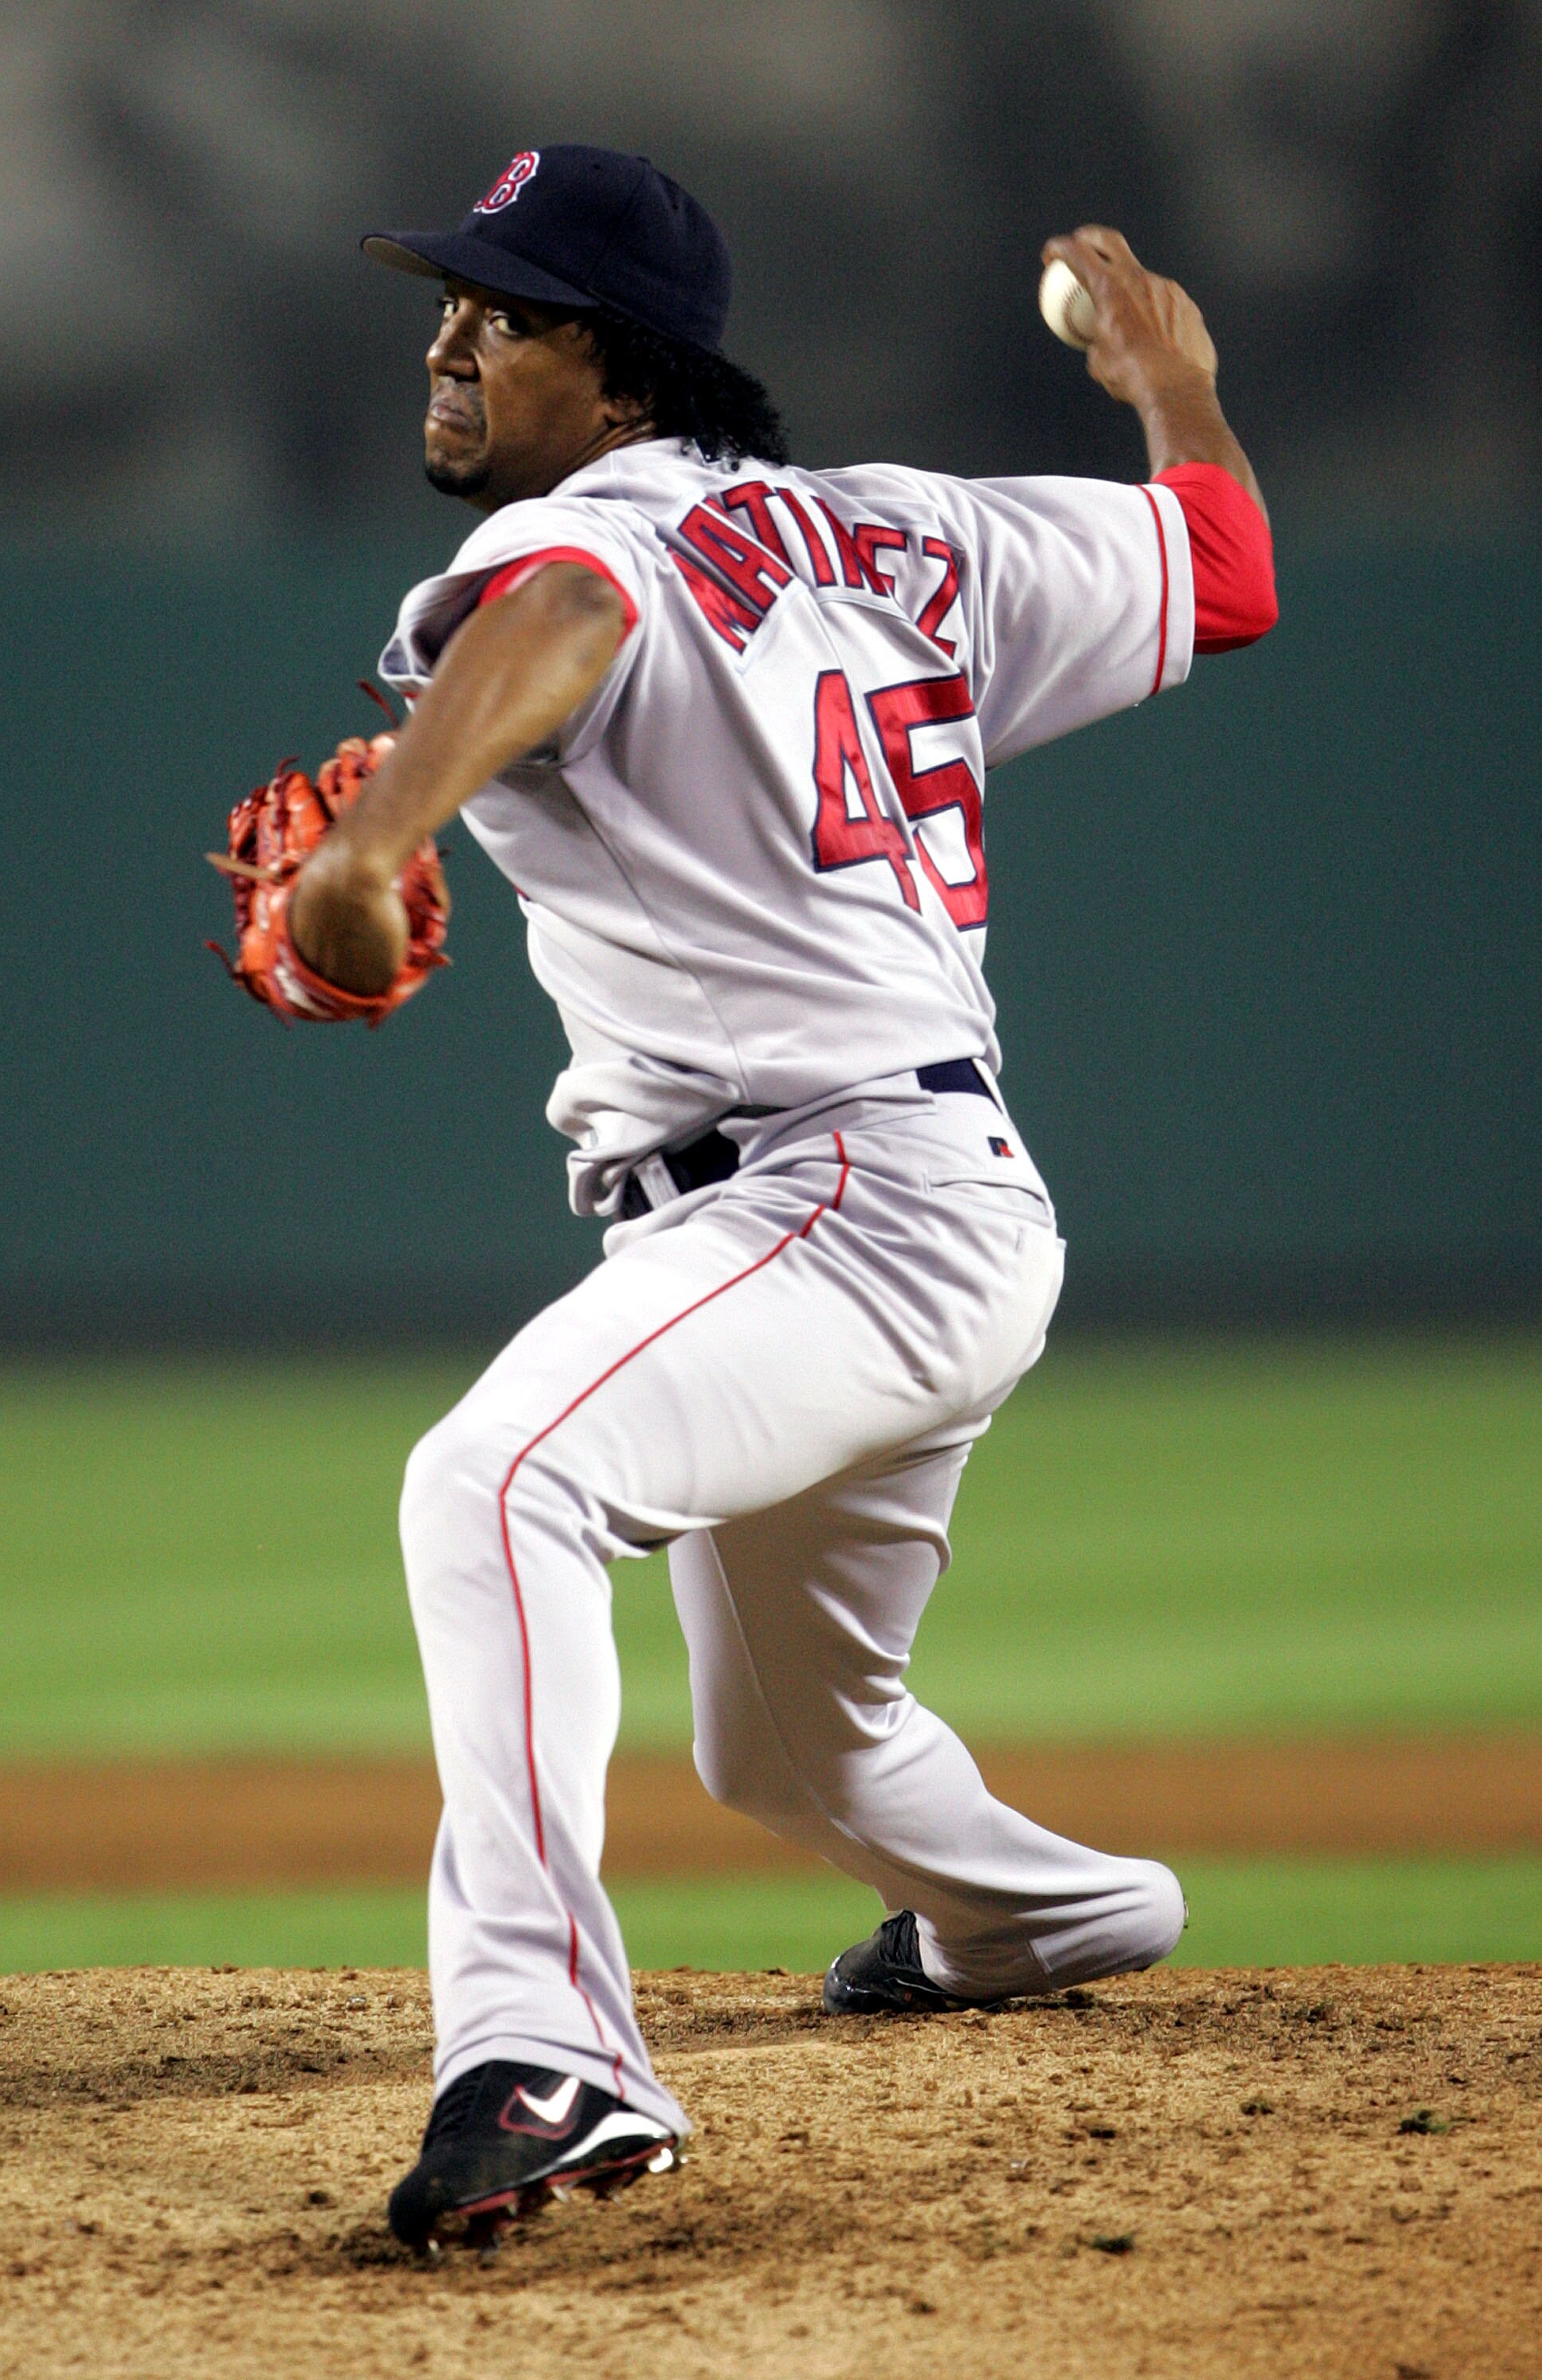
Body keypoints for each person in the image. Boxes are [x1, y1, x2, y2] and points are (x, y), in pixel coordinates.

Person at [288, 144, 1277, 2250]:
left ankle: (540, 2047)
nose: (453, 336)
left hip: (842, 1196)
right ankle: (1066, 1918)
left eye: (509, 309)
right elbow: (1226, 573)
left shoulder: (577, 534)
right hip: (915, 1206)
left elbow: (570, 612)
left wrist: (383, 836)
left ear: (623, 367)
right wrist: (1168, 382)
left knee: (499, 1485)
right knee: (797, 1754)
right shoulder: (904, 531)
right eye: (452, 295)